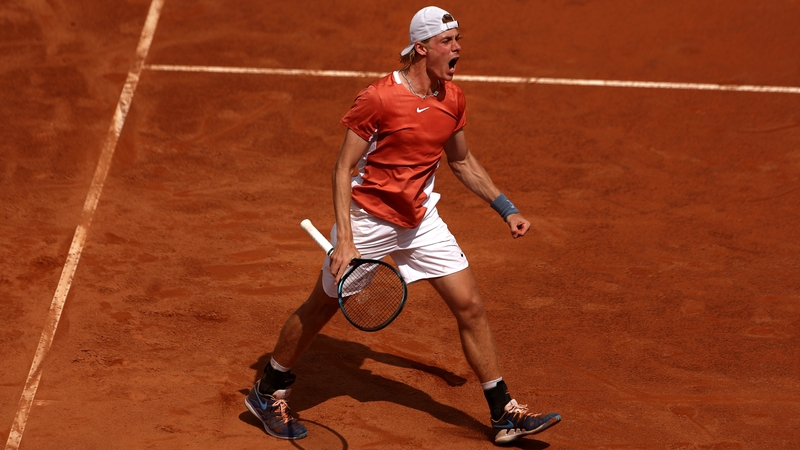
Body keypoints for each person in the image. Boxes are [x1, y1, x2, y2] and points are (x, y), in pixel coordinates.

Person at [245, 6, 561, 445]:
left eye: (458, 40)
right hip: (368, 220)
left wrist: (505, 208)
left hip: (420, 219)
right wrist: (347, 243)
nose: (458, 49)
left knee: (469, 306)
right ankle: (267, 391)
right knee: (322, 306)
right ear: (421, 47)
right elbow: (342, 169)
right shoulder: (378, 98)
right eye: (448, 42)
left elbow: (462, 161)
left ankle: (503, 413)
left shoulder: (453, 97)